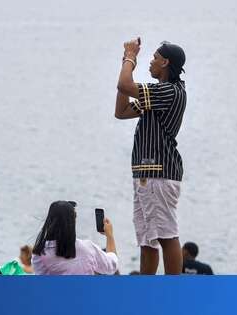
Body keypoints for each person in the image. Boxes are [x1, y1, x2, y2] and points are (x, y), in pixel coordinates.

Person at [114, 38, 187, 275]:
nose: (151, 63)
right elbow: (121, 111)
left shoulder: (169, 91)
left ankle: (173, 292)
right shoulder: (157, 95)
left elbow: (126, 85)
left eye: (155, 58)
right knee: (147, 239)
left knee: (166, 234)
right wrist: (125, 68)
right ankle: (146, 291)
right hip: (147, 173)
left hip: (159, 171)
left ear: (165, 62)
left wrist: (129, 59)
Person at [31, 201, 118, 275]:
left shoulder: (39, 253)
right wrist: (110, 236)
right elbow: (112, 265)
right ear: (73, 221)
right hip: (84, 294)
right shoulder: (88, 249)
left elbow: (40, 281)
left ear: (49, 219)